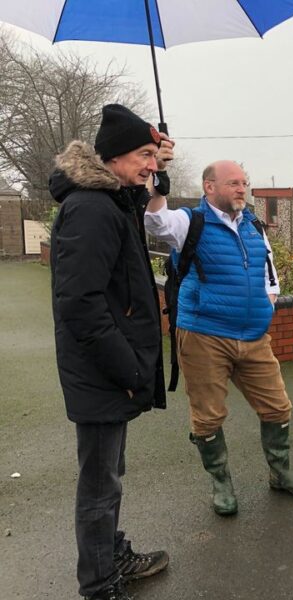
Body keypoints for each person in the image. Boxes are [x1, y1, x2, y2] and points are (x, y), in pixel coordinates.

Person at [144, 159, 293, 516]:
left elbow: (268, 269)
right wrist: (155, 181)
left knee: (278, 407)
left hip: (254, 336)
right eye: (234, 183)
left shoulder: (254, 224)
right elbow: (155, 221)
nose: (243, 188)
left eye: (244, 182)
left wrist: (269, 302)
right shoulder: (190, 221)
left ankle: (280, 472)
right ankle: (221, 484)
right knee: (208, 417)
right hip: (205, 335)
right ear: (210, 187)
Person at [49, 104, 170, 600]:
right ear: (115, 157)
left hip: (110, 370)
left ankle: (109, 555)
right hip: (104, 371)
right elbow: (81, 304)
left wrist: (156, 163)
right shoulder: (92, 209)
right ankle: (99, 584)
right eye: (143, 155)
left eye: (154, 157)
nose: (151, 166)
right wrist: (128, 369)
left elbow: (140, 205)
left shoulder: (110, 200)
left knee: (108, 478)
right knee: (100, 486)